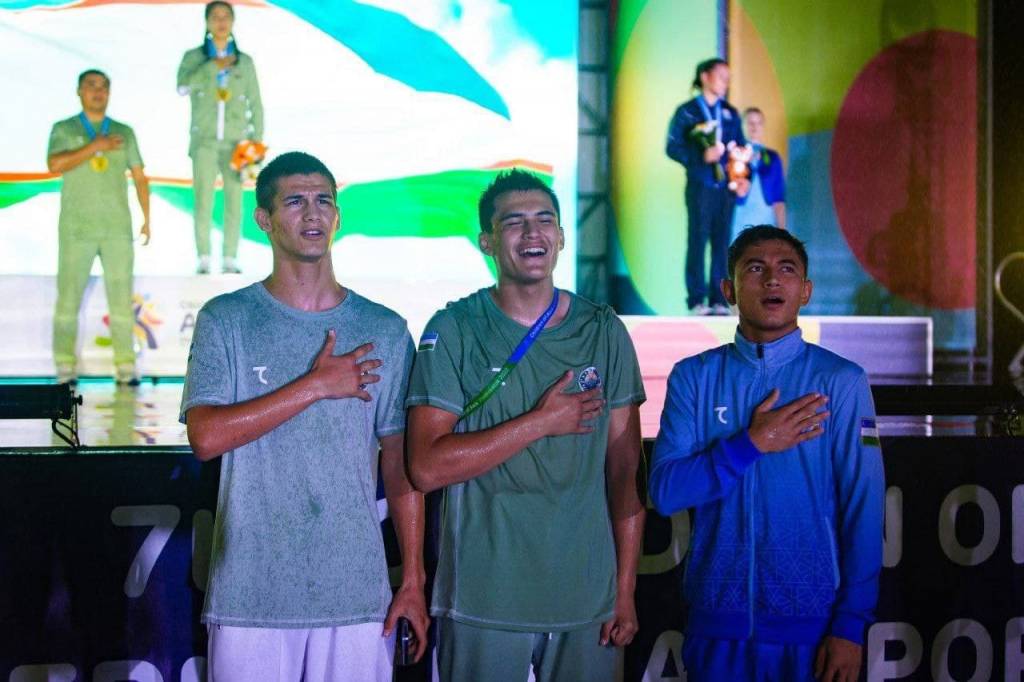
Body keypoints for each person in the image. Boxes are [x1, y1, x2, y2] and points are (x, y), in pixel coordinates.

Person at [180, 152, 428, 681]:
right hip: (250, 594)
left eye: (323, 201)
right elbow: (205, 436)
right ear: (264, 220)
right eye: (295, 201)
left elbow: (400, 464)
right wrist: (315, 385)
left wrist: (412, 578)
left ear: (338, 216)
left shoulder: (383, 328)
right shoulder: (227, 319)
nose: (312, 213)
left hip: (355, 593)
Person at [406, 169, 646, 682]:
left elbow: (625, 474)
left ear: (560, 236)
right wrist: (540, 422)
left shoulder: (603, 329)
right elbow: (425, 468)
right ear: (487, 241)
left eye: (545, 220)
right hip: (483, 597)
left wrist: (624, 588)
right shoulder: (454, 328)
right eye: (514, 222)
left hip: (586, 599)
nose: (532, 232)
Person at [649, 225, 884, 682]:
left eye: (786, 269)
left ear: (806, 291)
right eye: (755, 269)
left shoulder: (841, 380)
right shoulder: (694, 377)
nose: (772, 279)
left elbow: (865, 508)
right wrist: (751, 444)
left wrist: (851, 626)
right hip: (716, 630)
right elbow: (666, 492)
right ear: (728, 290)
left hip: (813, 633)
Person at [47, 69, 150, 386]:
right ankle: (64, 366)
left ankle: (125, 366)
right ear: (79, 91)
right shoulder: (64, 128)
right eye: (91, 85)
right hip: (77, 228)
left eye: (104, 86)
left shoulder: (124, 131)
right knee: (68, 300)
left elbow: (140, 176)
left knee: (121, 301)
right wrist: (96, 146)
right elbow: (54, 165)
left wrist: (147, 218)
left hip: (117, 228)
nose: (98, 91)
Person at [177, 0, 263, 275]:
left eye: (226, 16)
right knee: (203, 198)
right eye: (215, 16)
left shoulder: (245, 62)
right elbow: (182, 87)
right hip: (204, 141)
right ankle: (203, 256)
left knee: (234, 200)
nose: (221, 21)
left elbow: (256, 104)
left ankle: (229, 257)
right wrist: (213, 66)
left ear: (233, 21)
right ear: (207, 22)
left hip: (238, 142)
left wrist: (255, 145)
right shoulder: (194, 57)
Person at [666, 57, 748, 316]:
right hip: (700, 186)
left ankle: (719, 299)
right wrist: (700, 156)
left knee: (723, 243)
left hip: (725, 188)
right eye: (721, 76)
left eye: (728, 78)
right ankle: (696, 300)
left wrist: (742, 178)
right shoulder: (687, 112)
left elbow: (740, 149)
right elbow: (672, 147)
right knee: (698, 240)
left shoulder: (730, 113)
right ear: (705, 77)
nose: (726, 82)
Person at [730, 107, 787, 240]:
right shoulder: (733, 155)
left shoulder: (773, 157)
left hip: (765, 219)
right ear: (742, 126)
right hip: (739, 217)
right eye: (750, 123)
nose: (755, 127)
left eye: (759, 123)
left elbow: (779, 199)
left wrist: (782, 234)